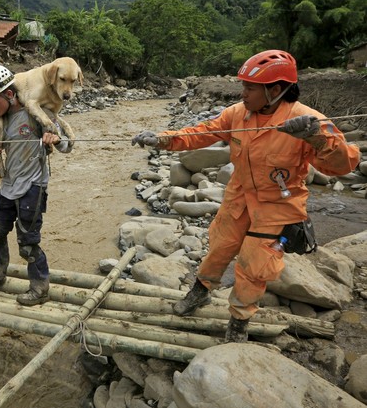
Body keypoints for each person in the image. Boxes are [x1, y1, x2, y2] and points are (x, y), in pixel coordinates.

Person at [132, 50, 360, 342]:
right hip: (239, 195)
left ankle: (239, 321)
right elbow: (202, 132)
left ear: (275, 90)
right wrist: (162, 139)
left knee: (255, 264)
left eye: (250, 88)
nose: (243, 94)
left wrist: (315, 137)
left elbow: (345, 164)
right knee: (219, 246)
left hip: (279, 204)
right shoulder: (238, 114)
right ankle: (200, 291)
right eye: (243, 86)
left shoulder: (307, 120)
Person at [0, 65, 73, 306]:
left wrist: (54, 138)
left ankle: (40, 289)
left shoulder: (37, 112)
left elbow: (68, 145)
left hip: (32, 186)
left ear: (9, 95)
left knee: (28, 244)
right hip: (8, 186)